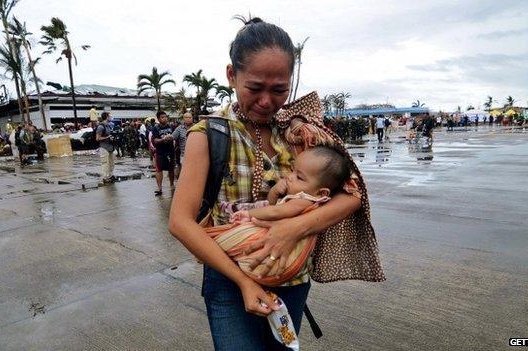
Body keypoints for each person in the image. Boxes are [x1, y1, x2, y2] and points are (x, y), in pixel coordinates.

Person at [168, 17, 383, 350]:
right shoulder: (207, 136)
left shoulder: (302, 133)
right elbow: (180, 222)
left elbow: (352, 196)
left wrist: (292, 229)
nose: (267, 101)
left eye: (279, 89)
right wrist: (242, 281)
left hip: (292, 278)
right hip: (228, 279)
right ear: (231, 75)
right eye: (255, 87)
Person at [208, 145, 351, 286]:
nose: (289, 177)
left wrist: (247, 214)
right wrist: (274, 192)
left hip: (273, 260)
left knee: (217, 240)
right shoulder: (301, 196)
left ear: (321, 193)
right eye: (292, 170)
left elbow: (274, 212)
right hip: (276, 257)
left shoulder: (304, 201)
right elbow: (273, 206)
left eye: (299, 177)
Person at [151, 111, 175, 195]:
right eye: (162, 117)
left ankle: (172, 185)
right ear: (158, 119)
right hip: (160, 152)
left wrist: (172, 138)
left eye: (165, 117)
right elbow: (155, 140)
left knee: (171, 169)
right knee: (159, 170)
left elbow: (175, 136)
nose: (164, 118)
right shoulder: (155, 128)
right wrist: (163, 139)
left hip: (170, 151)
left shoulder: (171, 126)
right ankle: (159, 188)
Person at [96, 112, 115, 183]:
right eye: (110, 116)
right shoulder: (101, 127)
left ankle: (110, 176)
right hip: (104, 147)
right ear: (106, 117)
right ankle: (105, 177)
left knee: (111, 163)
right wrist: (107, 137)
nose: (111, 117)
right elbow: (97, 138)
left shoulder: (108, 126)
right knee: (105, 163)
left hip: (110, 147)